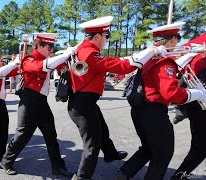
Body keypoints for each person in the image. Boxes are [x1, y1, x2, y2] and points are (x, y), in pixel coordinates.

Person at [68, 16, 166, 180]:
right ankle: (81, 177)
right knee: (92, 146)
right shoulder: (89, 52)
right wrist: (149, 51)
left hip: (85, 101)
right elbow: (122, 67)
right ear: (98, 36)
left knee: (102, 129)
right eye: (106, 36)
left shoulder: (83, 48)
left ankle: (110, 153)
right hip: (82, 104)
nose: (107, 40)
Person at [116, 22, 206, 180]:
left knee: (148, 149)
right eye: (177, 38)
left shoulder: (150, 57)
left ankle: (123, 174)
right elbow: (172, 93)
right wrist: (198, 94)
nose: (178, 42)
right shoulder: (164, 61)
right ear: (171, 39)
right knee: (163, 154)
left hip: (140, 110)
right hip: (153, 112)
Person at [0, 33, 75, 177]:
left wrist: (73, 53)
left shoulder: (48, 59)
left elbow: (62, 64)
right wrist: (65, 54)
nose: (51, 50)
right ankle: (6, 161)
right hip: (29, 101)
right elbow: (43, 66)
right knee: (22, 135)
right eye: (49, 46)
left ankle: (58, 166)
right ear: (39, 45)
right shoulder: (29, 59)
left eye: (52, 46)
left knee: (51, 135)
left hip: (41, 102)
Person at [171, 52, 206, 180]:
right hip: (200, 107)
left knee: (199, 145)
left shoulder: (196, 55)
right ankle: (178, 176)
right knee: (200, 148)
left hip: (194, 106)